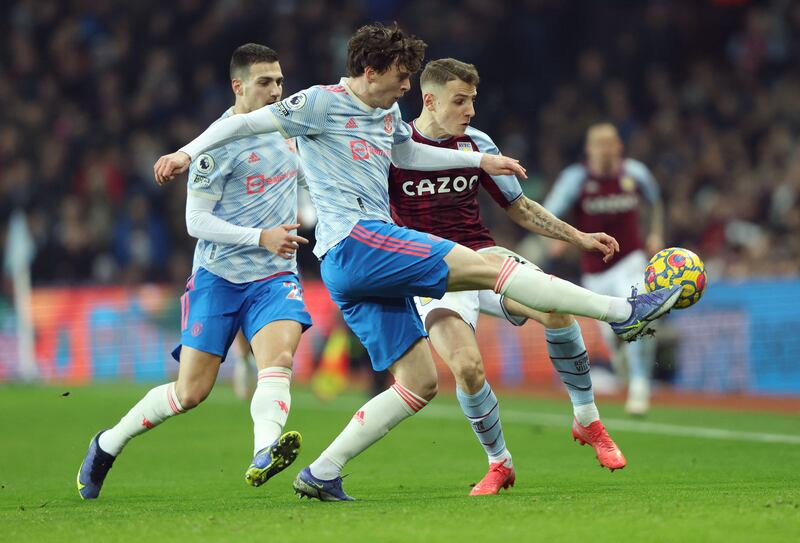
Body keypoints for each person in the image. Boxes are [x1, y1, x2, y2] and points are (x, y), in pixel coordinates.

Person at [153, 23, 682, 501]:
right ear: (369, 70)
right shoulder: (317, 103)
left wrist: (479, 160)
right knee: (486, 267)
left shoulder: (385, 114)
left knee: (419, 382)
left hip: (359, 266)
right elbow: (242, 127)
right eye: (401, 78)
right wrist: (185, 152)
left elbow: (408, 154)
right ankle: (624, 311)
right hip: (357, 240)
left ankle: (323, 471)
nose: (407, 88)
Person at [77, 44, 312, 499]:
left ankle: (264, 451)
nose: (277, 91)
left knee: (279, 360)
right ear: (238, 86)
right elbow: (195, 223)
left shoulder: (290, 129)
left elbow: (305, 180)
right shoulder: (215, 145)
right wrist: (259, 235)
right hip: (218, 279)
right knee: (190, 393)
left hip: (275, 276)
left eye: (280, 81)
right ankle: (107, 444)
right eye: (266, 82)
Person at [388, 58, 626, 496]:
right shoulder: (394, 146)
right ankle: (500, 464)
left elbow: (518, 207)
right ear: (429, 100)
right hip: (430, 271)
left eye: (472, 101)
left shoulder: (476, 144)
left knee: (556, 312)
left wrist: (578, 237)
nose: (470, 111)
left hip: (483, 257)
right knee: (467, 369)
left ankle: (587, 419)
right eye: (460, 101)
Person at [544, 123, 663, 415]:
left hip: (630, 259)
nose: (606, 149)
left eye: (611, 143)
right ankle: (624, 362)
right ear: (590, 149)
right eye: (600, 144)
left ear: (619, 146)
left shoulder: (634, 173)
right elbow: (548, 211)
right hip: (595, 271)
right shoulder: (576, 179)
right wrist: (558, 238)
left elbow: (656, 202)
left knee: (637, 315)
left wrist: (655, 233)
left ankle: (639, 385)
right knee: (614, 335)